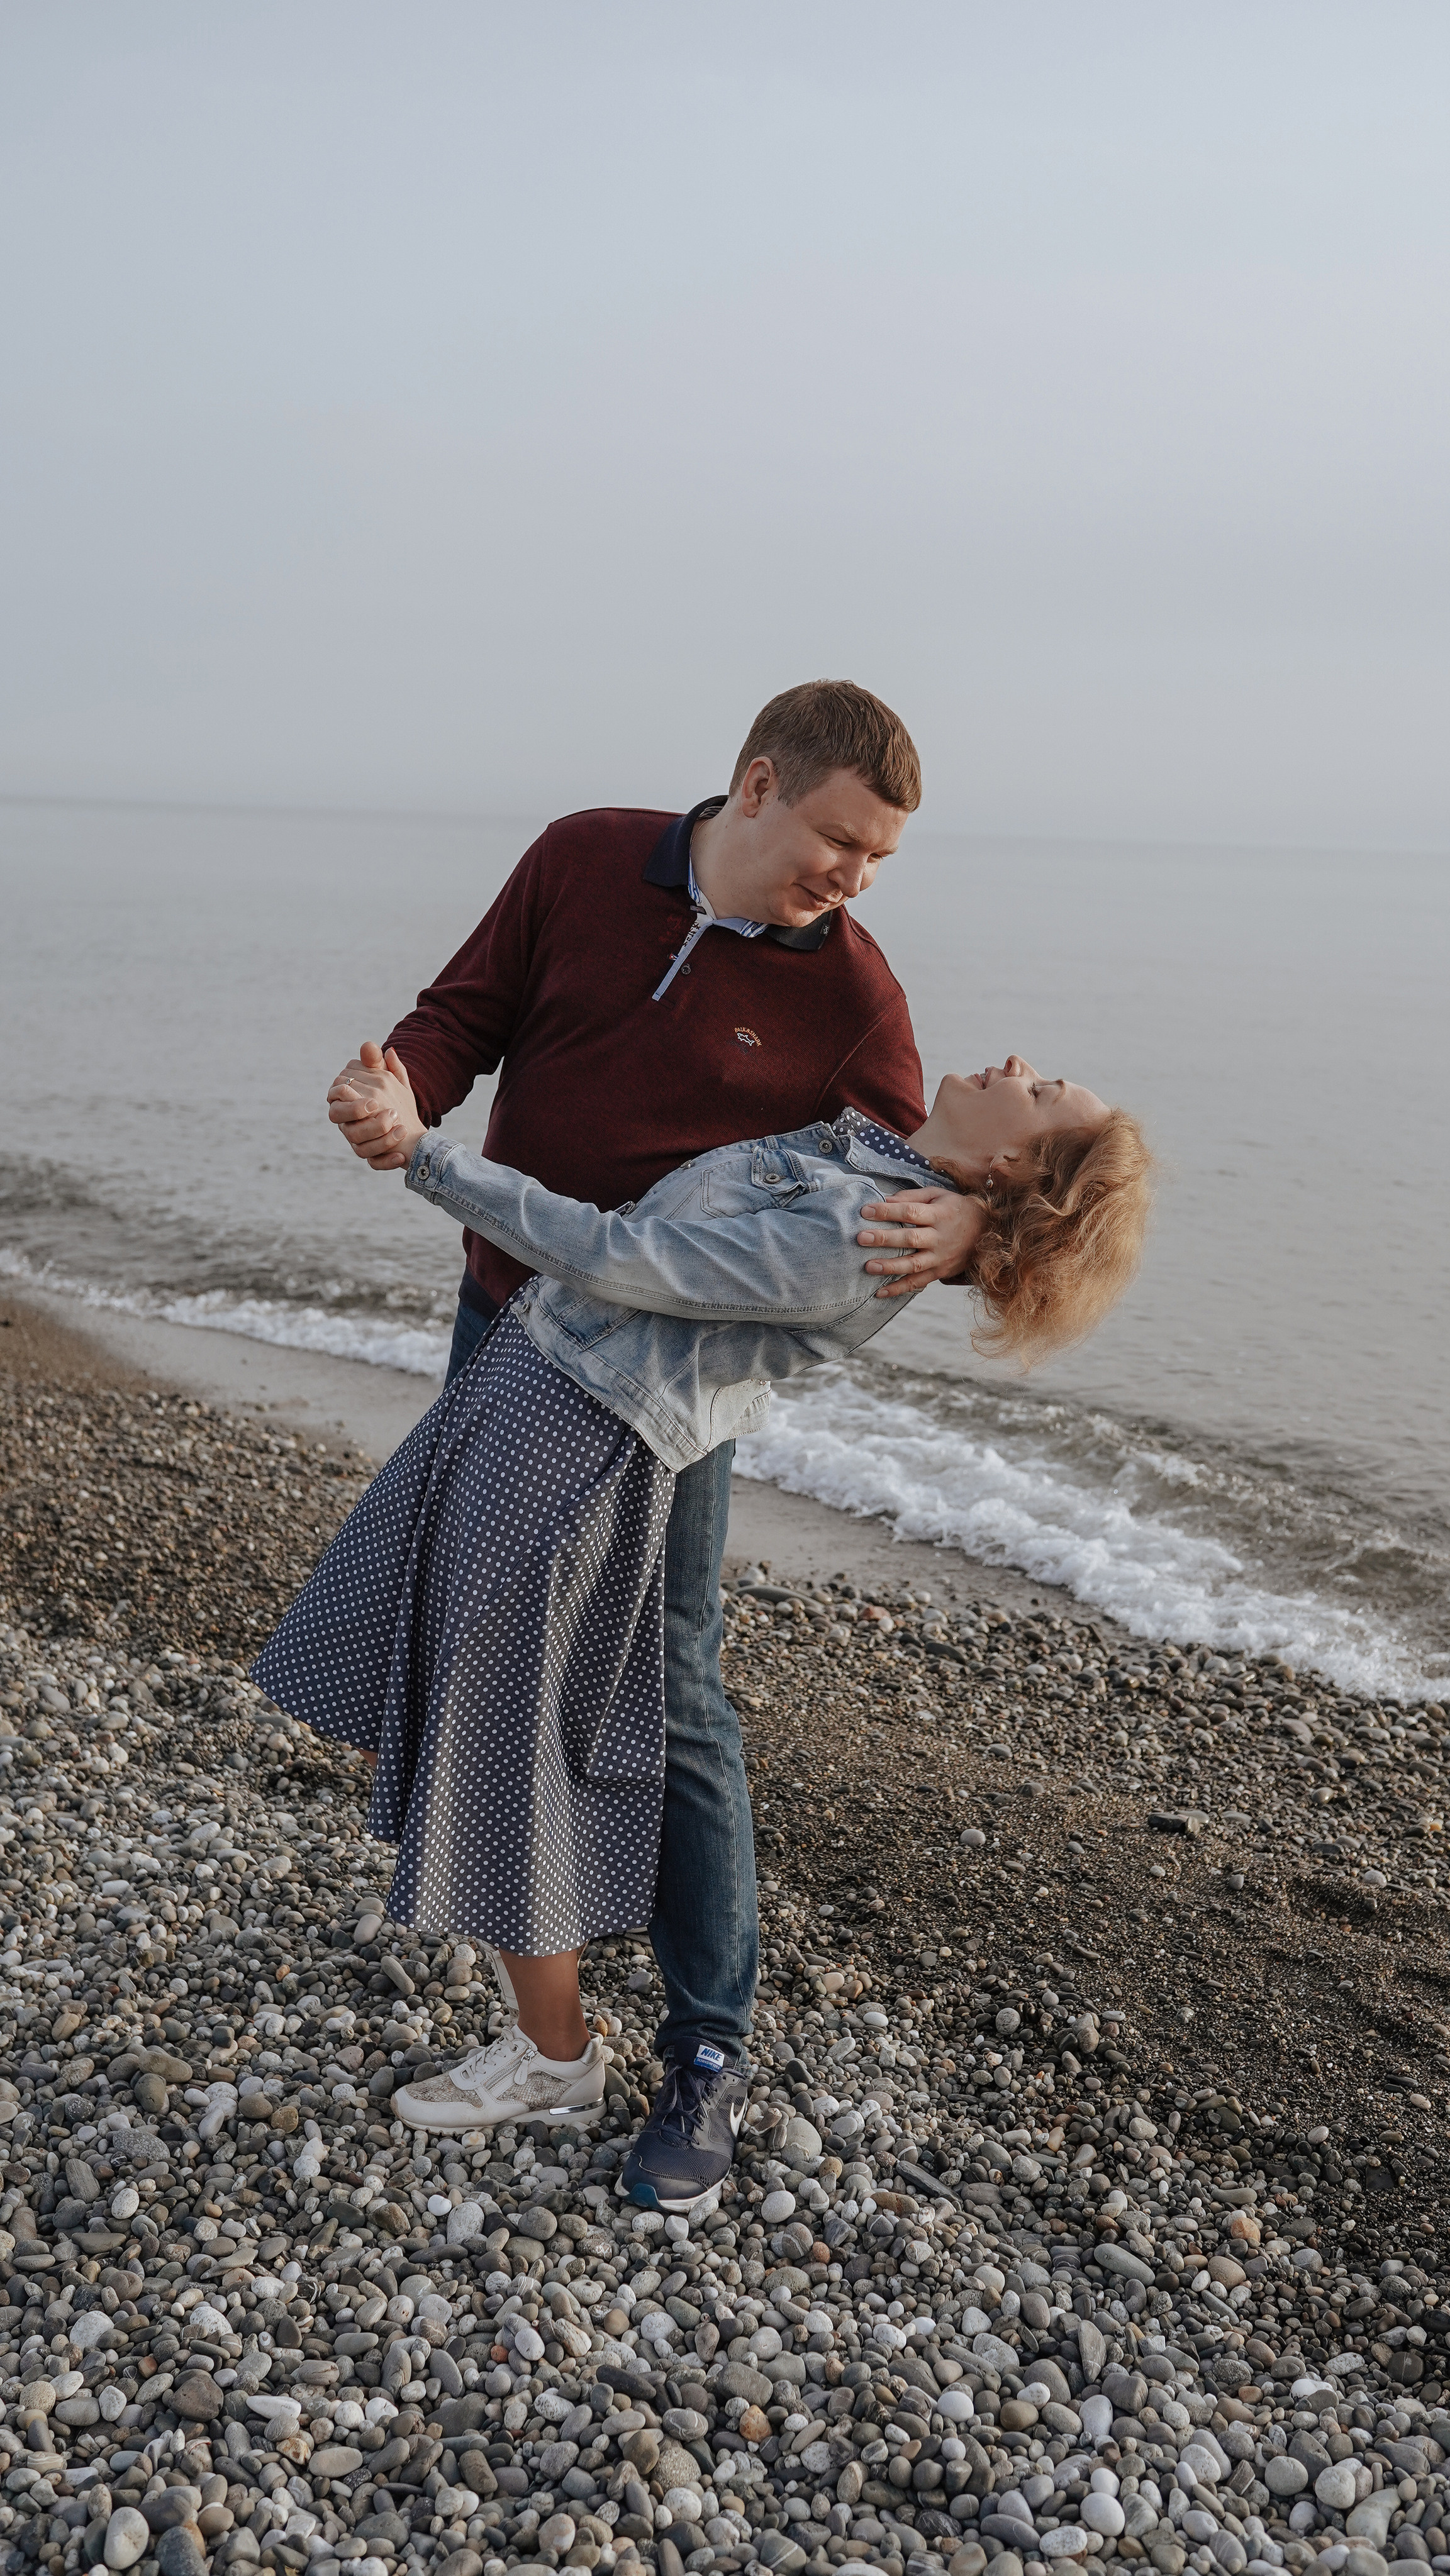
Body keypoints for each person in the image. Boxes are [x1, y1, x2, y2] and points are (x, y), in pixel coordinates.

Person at [256, 1050, 1151, 2209]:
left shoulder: (856, 1234)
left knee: (504, 1742)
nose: (1024, 1066)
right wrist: (982, 1219)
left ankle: (556, 2057)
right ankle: (546, 2025)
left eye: (1043, 1097)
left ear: (1008, 1159)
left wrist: (426, 1156)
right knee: (458, 1704)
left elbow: (630, 1261)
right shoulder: (867, 1165)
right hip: (534, 1391)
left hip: (575, 1447)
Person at [323, 681, 983, 2194]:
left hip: (656, 1406)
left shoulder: (856, 996)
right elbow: (461, 1019)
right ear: (757, 784)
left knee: (674, 1683)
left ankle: (702, 2048)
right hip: (505, 1318)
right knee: (473, 1648)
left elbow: (923, 1184)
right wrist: (399, 1091)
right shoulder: (580, 858)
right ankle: (539, 1982)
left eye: (879, 858)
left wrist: (970, 1233)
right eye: (838, 840)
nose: (854, 879)